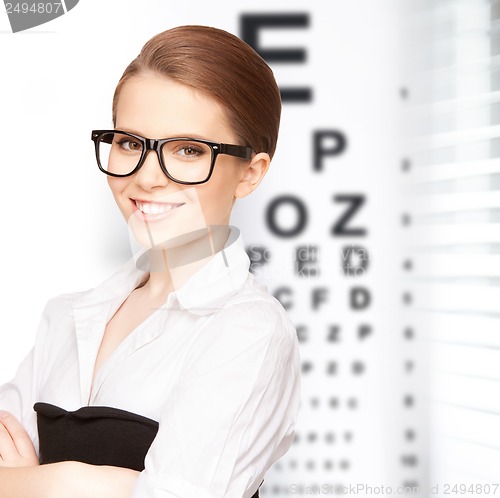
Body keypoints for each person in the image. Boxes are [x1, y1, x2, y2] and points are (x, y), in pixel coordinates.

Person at [0, 24, 301, 498]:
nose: (147, 176)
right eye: (130, 143)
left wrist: (43, 478)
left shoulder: (249, 330)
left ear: (250, 173)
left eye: (187, 150)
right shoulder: (64, 316)